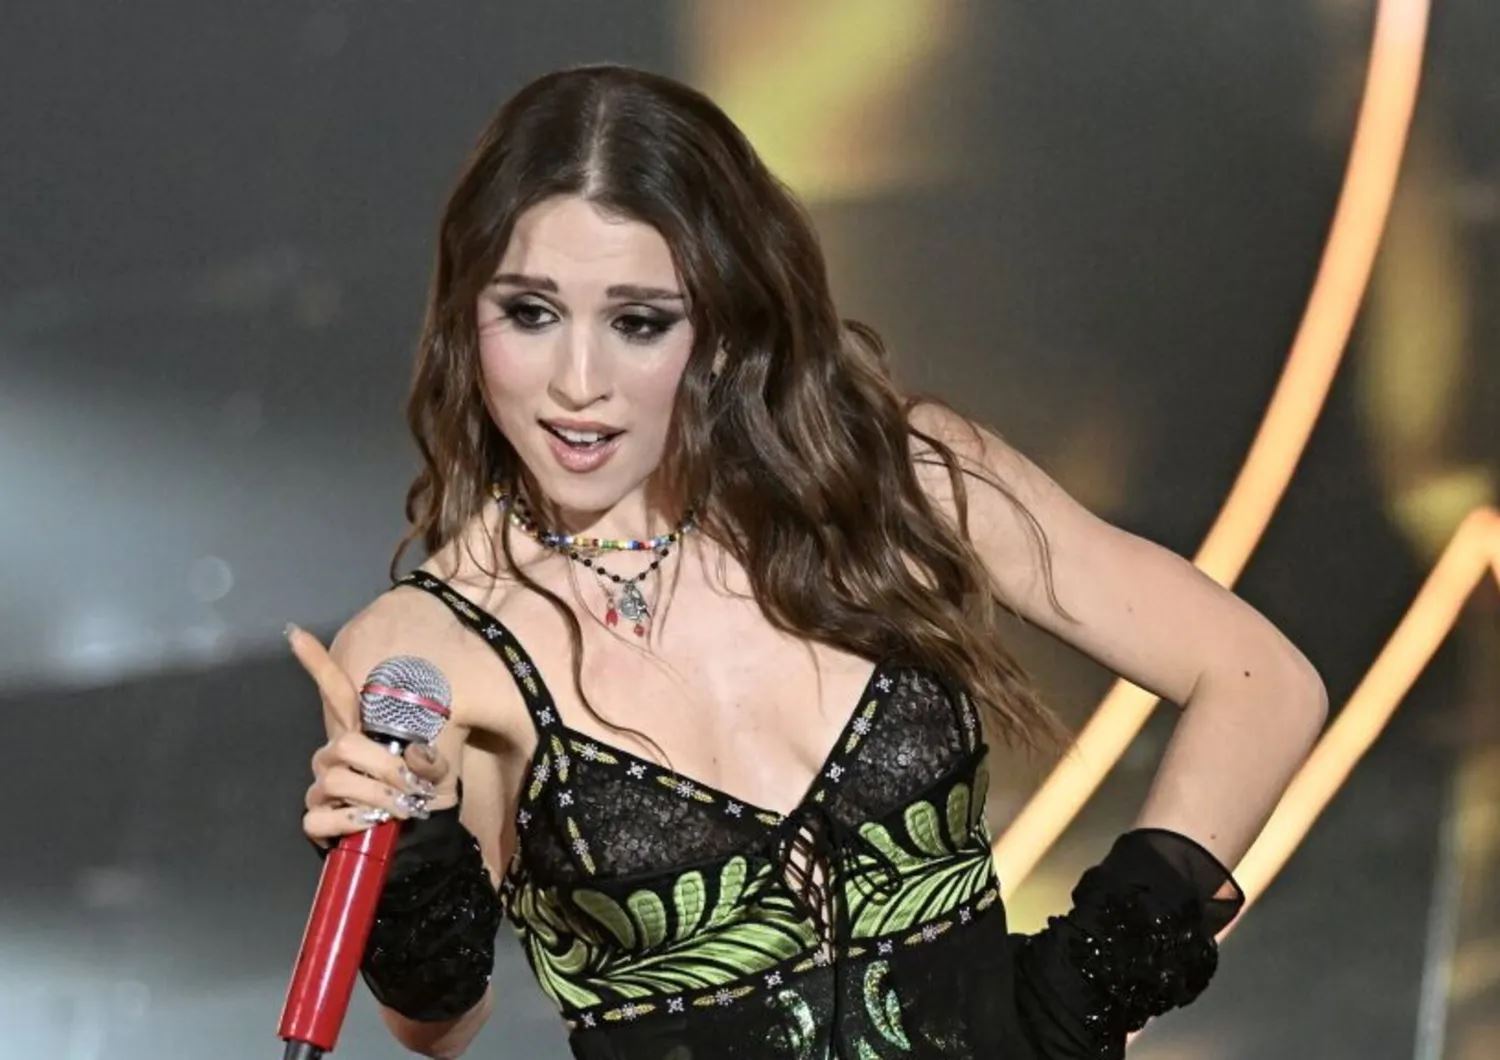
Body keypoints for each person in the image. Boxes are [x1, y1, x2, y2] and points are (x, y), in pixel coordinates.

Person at [291, 63, 1327, 1059]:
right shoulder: (430, 646)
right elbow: (440, 1026)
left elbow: (1260, 683)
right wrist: (410, 848)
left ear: (724, 318)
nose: (577, 381)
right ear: (466, 315)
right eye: (530, 313)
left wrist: (1084, 994)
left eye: (638, 322)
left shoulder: (902, 487)